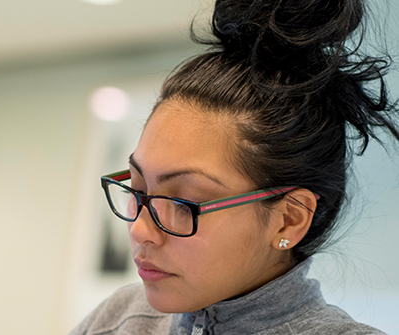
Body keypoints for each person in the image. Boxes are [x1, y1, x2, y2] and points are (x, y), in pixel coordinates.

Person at [70, 0, 396, 334]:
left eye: (184, 204)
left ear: (289, 220)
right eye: (138, 190)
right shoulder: (115, 321)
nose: (139, 231)